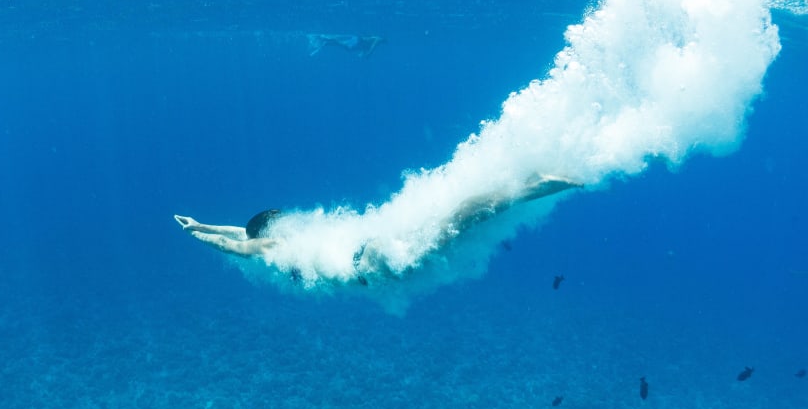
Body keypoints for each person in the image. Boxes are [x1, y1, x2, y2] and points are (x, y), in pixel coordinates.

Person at [174, 175, 581, 267]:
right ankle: (521, 186)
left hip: (374, 263)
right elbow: (239, 241)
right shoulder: (276, 240)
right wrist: (197, 230)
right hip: (372, 248)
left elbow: (237, 239)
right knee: (457, 217)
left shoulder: (275, 243)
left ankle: (528, 189)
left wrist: (199, 229)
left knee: (459, 221)